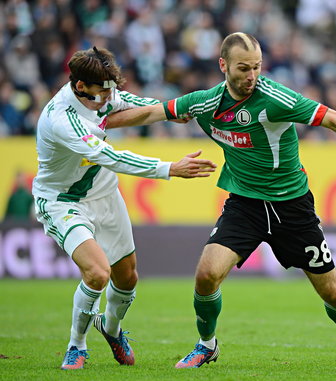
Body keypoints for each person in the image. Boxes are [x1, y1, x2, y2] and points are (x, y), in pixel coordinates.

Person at [107, 32, 336, 368]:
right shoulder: (205, 103)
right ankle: (207, 344)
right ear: (223, 65)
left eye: (257, 67)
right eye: (243, 68)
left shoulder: (275, 98)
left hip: (291, 206)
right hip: (244, 204)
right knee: (207, 274)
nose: (252, 76)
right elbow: (152, 113)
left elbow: (334, 119)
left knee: (333, 293)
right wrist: (98, 124)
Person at [32, 47, 217, 370]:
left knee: (127, 277)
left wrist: (171, 110)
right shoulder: (62, 119)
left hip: (102, 191)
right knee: (97, 272)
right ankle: (76, 346)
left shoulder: (101, 93)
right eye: (103, 89)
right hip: (63, 201)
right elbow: (111, 157)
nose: (110, 94)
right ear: (80, 87)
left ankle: (111, 328)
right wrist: (169, 168)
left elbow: (132, 103)